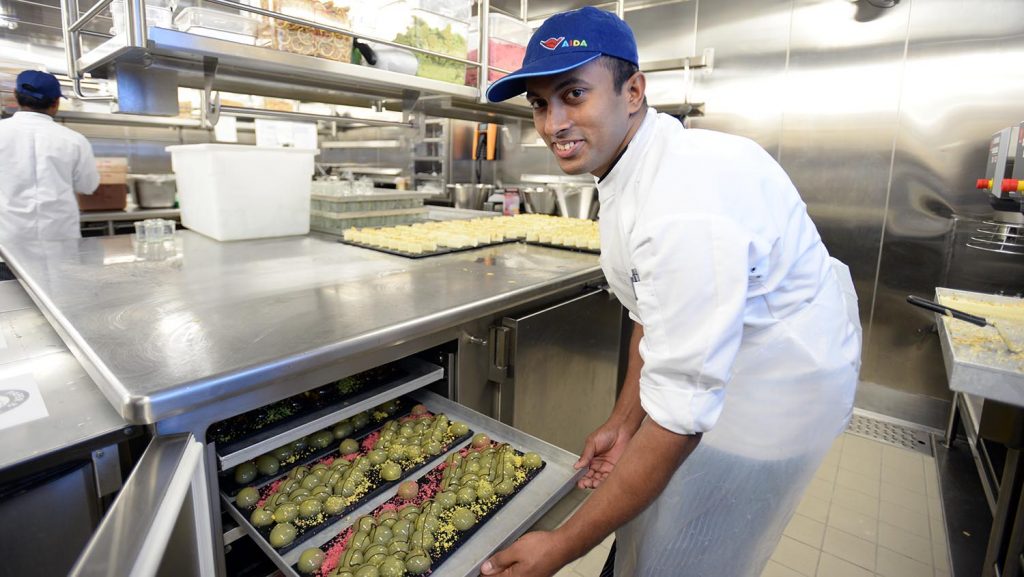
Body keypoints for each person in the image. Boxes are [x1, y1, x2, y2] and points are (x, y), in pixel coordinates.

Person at [482, 7, 861, 577]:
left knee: (691, 549)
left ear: (633, 91)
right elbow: (651, 312)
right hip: (727, 365)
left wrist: (562, 546)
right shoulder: (632, 164)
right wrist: (623, 422)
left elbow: (681, 413)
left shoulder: (684, 205)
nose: (553, 123)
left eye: (574, 94)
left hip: (774, 389)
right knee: (650, 525)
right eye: (539, 103)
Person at [0, 70, 99, 242]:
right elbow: (88, 186)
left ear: (15, 95)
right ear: (56, 102)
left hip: (9, 238)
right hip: (59, 237)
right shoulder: (75, 140)